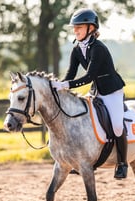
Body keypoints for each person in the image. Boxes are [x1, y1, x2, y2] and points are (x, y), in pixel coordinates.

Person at [52, 8, 128, 179]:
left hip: (112, 90)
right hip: (96, 91)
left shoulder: (98, 48)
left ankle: (122, 164)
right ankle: (89, 160)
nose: (75, 30)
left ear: (91, 28)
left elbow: (89, 76)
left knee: (116, 125)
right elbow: (70, 74)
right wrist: (58, 86)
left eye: (80, 26)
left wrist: (65, 84)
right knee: (85, 122)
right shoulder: (77, 49)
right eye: (74, 27)